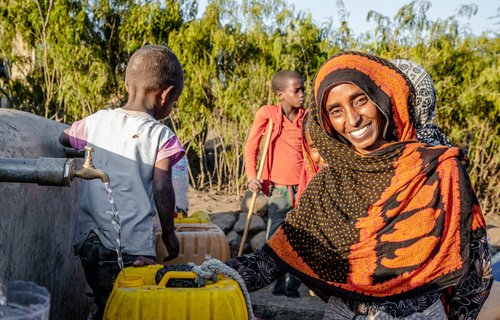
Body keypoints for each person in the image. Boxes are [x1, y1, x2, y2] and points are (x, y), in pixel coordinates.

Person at [223, 52, 493, 318]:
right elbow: (274, 259)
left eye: (360, 100)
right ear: (327, 121)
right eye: (336, 110)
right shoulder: (328, 187)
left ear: (382, 97)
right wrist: (216, 274)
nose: (352, 120)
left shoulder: (437, 170)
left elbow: (476, 272)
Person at [59, 45, 185, 319]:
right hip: (130, 246)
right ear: (167, 95)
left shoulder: (97, 121)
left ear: (128, 84)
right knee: (129, 308)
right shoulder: (161, 136)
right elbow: (162, 187)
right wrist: (169, 232)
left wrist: (85, 145)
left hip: (88, 241)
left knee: (105, 300)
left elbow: (64, 137)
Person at [243, 70, 306, 297]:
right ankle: (277, 285)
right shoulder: (268, 114)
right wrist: (252, 176)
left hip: (303, 189)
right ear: (281, 94)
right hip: (279, 189)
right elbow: (251, 146)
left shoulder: (307, 118)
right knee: (275, 240)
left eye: (303, 89)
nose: (302, 95)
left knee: (301, 240)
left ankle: (293, 286)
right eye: (296, 90)